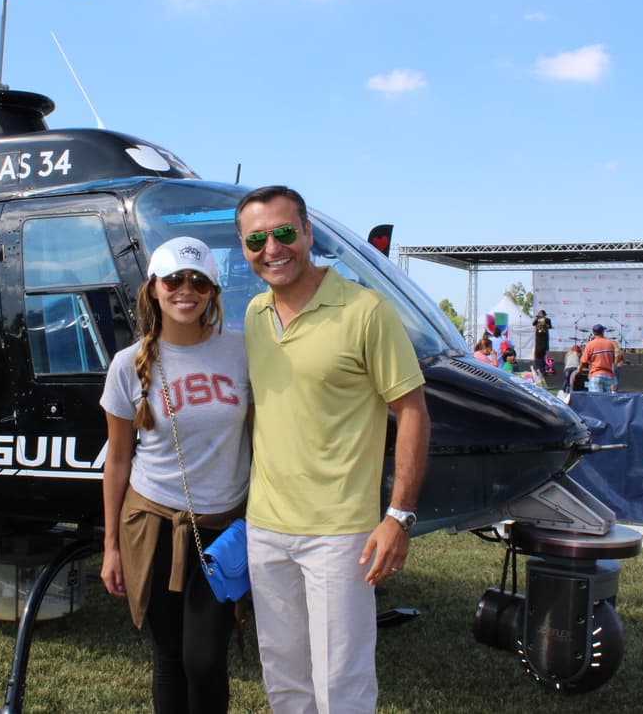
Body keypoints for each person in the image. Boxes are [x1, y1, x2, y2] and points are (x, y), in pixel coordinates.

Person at [234, 185, 430, 714]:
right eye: (255, 240)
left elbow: (412, 412)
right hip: (266, 529)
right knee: (284, 679)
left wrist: (399, 517)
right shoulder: (254, 315)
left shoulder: (367, 311)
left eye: (283, 233)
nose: (271, 248)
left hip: (340, 535)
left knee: (341, 685)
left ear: (307, 232)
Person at [99, 236, 251, 714]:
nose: (187, 290)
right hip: (152, 523)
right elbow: (118, 460)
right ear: (153, 288)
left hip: (223, 528)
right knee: (169, 656)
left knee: (204, 660)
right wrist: (111, 546)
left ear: (213, 292)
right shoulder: (128, 366)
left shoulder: (242, 352)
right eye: (174, 280)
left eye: (200, 281)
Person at [578, 324, 618, 393]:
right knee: (606, 399)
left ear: (594, 333)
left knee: (596, 398)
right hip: (608, 376)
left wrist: (579, 371)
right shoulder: (610, 343)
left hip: (595, 375)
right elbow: (613, 360)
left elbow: (583, 361)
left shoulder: (590, 344)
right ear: (602, 332)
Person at [532, 309, 552, 377]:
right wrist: (536, 318)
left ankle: (543, 370)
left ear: (543, 314)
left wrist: (545, 324)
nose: (538, 314)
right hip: (538, 340)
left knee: (543, 355)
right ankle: (539, 370)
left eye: (540, 313)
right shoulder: (537, 320)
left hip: (544, 340)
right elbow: (533, 324)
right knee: (537, 355)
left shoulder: (547, 320)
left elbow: (549, 326)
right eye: (538, 313)